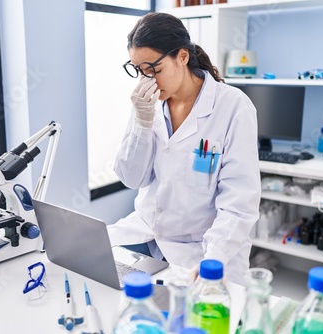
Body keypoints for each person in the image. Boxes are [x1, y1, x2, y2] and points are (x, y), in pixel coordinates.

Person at [107, 12, 261, 285]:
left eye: (154, 69)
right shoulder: (148, 103)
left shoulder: (233, 107)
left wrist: (214, 258)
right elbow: (132, 178)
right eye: (139, 71)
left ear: (182, 56)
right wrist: (142, 122)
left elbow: (239, 204)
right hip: (145, 234)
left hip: (199, 248)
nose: (147, 81)